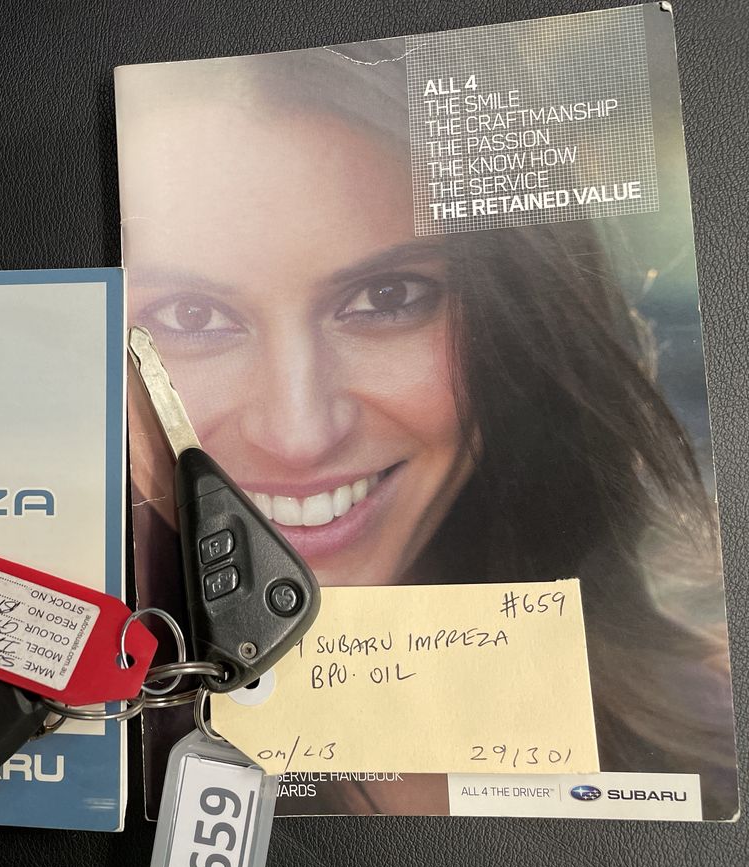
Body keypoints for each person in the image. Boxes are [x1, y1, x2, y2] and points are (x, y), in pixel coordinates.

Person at [116, 43, 737, 818]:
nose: (300, 435)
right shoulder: (39, 756)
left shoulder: (714, 747)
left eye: (388, 297)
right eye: (191, 316)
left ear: (519, 320)